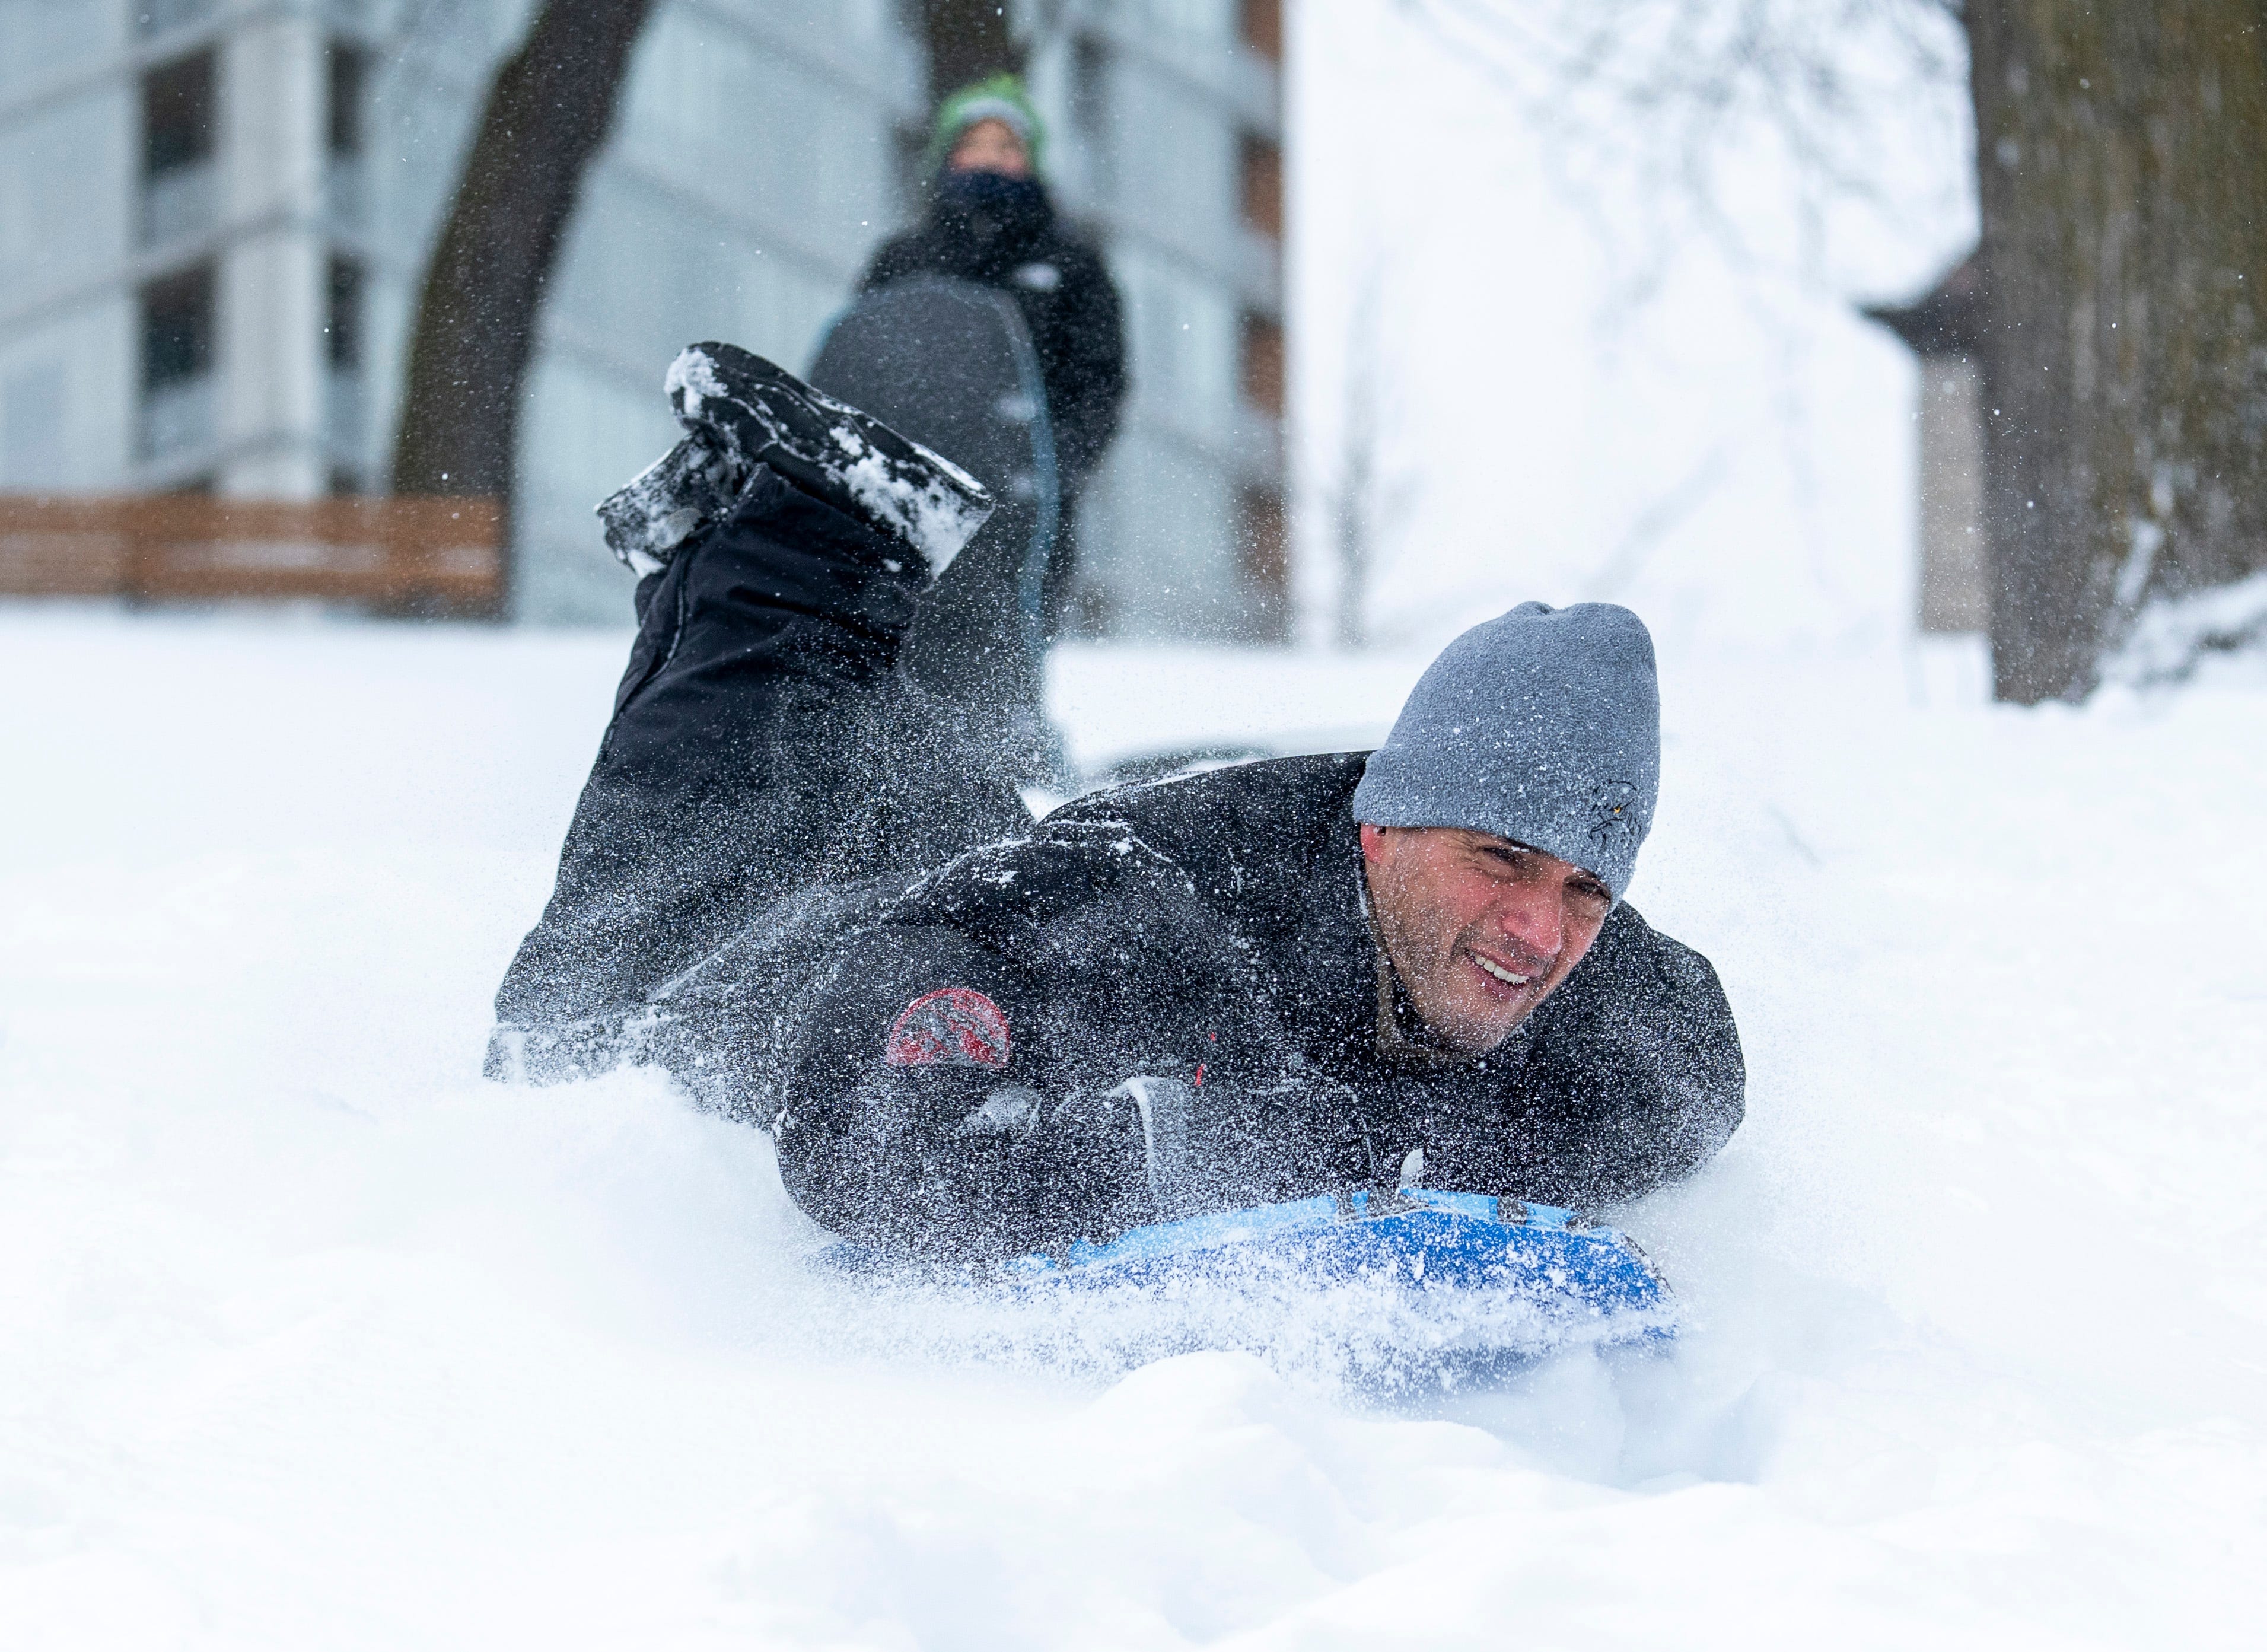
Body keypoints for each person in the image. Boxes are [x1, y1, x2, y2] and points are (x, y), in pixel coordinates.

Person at [491, 345, 1744, 1262]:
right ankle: (787, 543)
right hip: (789, 986)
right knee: (576, 1018)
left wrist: (1373, 1139)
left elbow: (1693, 1081)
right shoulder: (1153, 916)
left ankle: (742, 560)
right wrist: (1169, 1156)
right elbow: (867, 1153)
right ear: (1383, 821)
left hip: (995, 887)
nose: (1540, 930)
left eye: (1587, 885)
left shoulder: (1619, 999)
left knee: (912, 798)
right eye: (1500, 860)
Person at [857, 75, 1126, 636]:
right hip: (911, 490)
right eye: (975, 143)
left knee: (1008, 642)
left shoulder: (1072, 265)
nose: (990, 158)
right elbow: (861, 362)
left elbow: (1100, 378)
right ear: (949, 155)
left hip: (1024, 498)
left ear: (1030, 159)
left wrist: (1059, 463)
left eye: (1006, 146)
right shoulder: (902, 259)